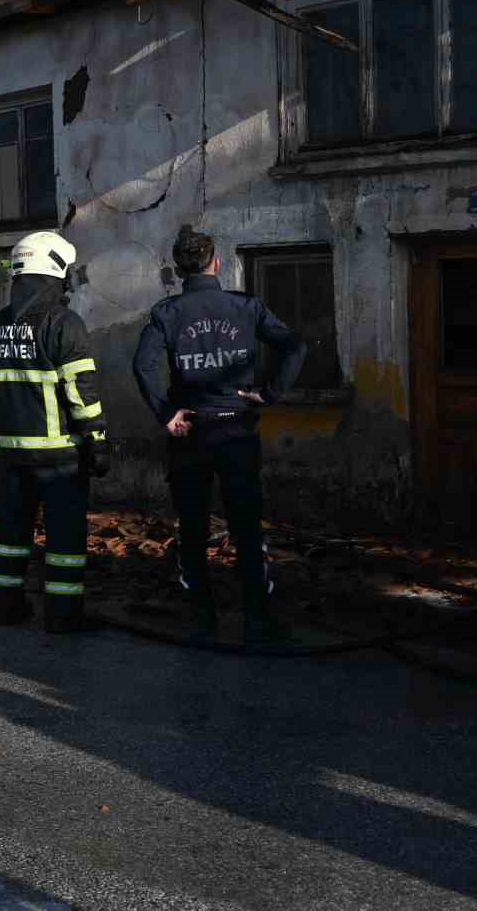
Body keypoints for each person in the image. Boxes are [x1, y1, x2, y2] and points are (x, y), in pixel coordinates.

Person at [132, 225, 308, 645]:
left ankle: (201, 620)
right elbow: (295, 346)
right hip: (236, 430)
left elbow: (143, 366)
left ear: (178, 269)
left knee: (192, 528)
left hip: (190, 434)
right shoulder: (246, 307)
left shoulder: (167, 313)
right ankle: (257, 621)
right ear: (217, 263)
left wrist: (166, 413)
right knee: (246, 527)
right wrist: (269, 393)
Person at [0, 231, 109, 634]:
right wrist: (98, 440)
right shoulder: (64, 323)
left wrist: (4, 427)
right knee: (65, 539)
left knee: (11, 532)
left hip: (13, 453)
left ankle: (7, 606)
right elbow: (80, 392)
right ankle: (63, 616)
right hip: (60, 457)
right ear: (54, 271)